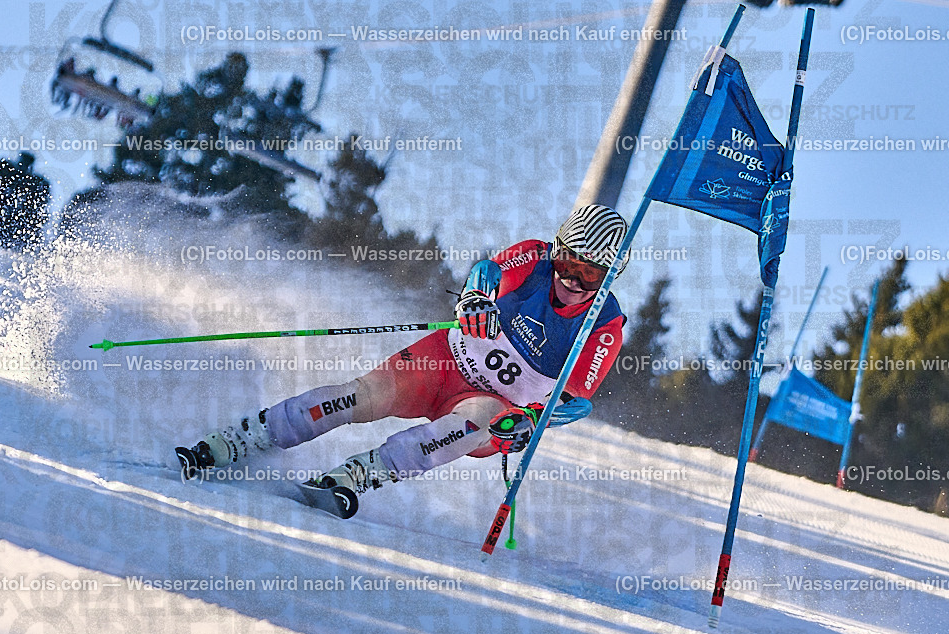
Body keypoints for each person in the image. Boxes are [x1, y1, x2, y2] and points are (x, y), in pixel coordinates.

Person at [176, 204, 630, 501]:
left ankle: (357, 476)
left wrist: (535, 418)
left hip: (493, 405)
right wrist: (473, 299)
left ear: (609, 278)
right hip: (444, 361)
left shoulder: (605, 326)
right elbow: (487, 270)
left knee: (473, 425)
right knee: (357, 397)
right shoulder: (534, 256)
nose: (571, 280)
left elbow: (574, 399)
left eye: (589, 275)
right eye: (567, 263)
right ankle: (240, 440)